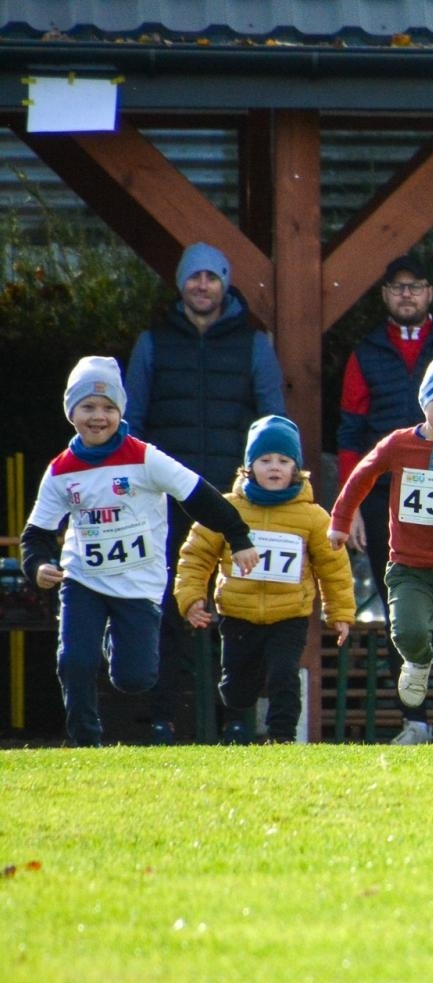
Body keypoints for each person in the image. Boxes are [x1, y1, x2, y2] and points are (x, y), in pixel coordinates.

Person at [20, 357, 260, 747]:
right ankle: (86, 742)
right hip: (84, 579)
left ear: (120, 412)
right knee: (74, 661)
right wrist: (39, 565)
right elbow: (37, 534)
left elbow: (197, 495)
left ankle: (115, 635)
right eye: (89, 407)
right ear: (71, 413)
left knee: (135, 679)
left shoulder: (144, 458)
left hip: (140, 585)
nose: (99, 417)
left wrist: (239, 535)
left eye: (109, 408)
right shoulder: (61, 470)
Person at [124, 241, 286, 742]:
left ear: (223, 283)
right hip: (165, 502)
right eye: (193, 277)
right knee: (167, 606)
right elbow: (131, 425)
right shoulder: (152, 343)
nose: (202, 285)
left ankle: (235, 719)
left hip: (233, 501)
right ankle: (162, 718)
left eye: (211, 277)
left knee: (237, 609)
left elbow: (272, 422)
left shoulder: (254, 344)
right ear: (181, 284)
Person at [335, 253, 433, 736]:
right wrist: (354, 509)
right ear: (385, 295)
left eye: (416, 286)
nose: (407, 294)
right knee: (402, 616)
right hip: (390, 507)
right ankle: (413, 720)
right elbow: (349, 432)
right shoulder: (364, 351)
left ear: (429, 293)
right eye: (397, 287)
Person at [174, 416, 357, 743]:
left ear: (296, 469)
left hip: (289, 615)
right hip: (237, 612)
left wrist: (340, 613)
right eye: (265, 460)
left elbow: (334, 567)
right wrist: (191, 597)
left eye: (284, 461)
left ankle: (282, 738)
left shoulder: (313, 517)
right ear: (248, 467)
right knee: (236, 691)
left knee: (284, 675)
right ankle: (234, 721)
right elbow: (196, 555)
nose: (274, 467)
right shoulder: (225, 509)